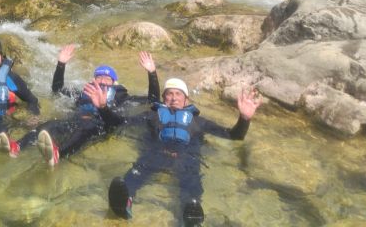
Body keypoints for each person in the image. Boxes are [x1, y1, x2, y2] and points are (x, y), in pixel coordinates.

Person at [104, 77, 262, 226]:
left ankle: (191, 213)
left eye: (178, 94)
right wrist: (103, 107)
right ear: (163, 98)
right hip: (157, 151)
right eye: (169, 94)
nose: (174, 98)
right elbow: (120, 122)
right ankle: (125, 202)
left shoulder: (198, 121)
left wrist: (244, 118)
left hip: (186, 154)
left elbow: (234, 135)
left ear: (186, 100)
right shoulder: (151, 116)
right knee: (137, 172)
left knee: (192, 180)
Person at [0, 43, 159, 166]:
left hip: (99, 123)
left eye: (107, 78)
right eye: (99, 77)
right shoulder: (84, 92)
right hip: (77, 117)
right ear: (93, 79)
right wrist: (61, 64)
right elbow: (57, 89)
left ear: (114, 82)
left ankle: (58, 153)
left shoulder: (121, 96)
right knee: (49, 125)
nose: (102, 80)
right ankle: (17, 146)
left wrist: (152, 73)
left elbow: (152, 100)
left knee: (83, 132)